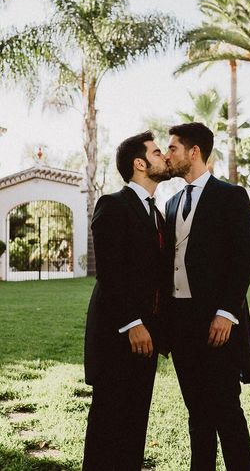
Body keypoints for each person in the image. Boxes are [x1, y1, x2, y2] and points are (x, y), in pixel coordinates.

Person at [162, 122, 250, 471]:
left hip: (216, 321)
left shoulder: (230, 196)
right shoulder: (171, 203)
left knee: (227, 411)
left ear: (194, 152)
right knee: (196, 413)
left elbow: (244, 259)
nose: (167, 154)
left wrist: (226, 313)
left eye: (172, 148)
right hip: (180, 323)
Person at [83, 130, 171, 471]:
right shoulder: (114, 205)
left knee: (136, 420)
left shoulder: (157, 214)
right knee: (108, 419)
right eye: (157, 151)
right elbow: (110, 273)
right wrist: (132, 323)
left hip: (148, 337)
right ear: (140, 163)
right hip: (118, 334)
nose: (164, 157)